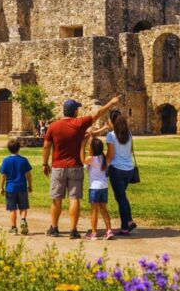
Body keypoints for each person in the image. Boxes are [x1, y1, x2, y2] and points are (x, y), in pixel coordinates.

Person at [42, 95, 120, 239]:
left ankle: (54, 228)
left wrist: (45, 163)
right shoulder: (79, 124)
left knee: (56, 198)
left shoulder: (53, 126)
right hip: (75, 166)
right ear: (75, 111)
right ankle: (73, 230)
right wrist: (111, 103)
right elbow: (97, 113)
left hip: (58, 166)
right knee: (74, 198)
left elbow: (46, 146)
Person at [105, 110, 138, 235]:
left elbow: (110, 155)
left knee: (121, 198)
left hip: (117, 170)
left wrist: (103, 166)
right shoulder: (129, 134)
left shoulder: (111, 135)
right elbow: (130, 151)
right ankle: (129, 221)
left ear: (111, 121)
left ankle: (125, 227)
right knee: (121, 196)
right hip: (129, 170)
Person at [80, 135, 113, 240]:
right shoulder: (104, 158)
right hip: (104, 187)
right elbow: (110, 155)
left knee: (94, 211)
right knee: (104, 209)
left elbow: (82, 160)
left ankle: (94, 233)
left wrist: (82, 146)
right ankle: (109, 230)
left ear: (92, 149)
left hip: (94, 188)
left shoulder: (91, 159)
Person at [0, 138, 32, 235]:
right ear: (19, 148)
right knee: (23, 207)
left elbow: (3, 175)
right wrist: (30, 185)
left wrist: (1, 187)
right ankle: (23, 220)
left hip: (10, 188)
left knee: (12, 209)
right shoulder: (23, 160)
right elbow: (28, 174)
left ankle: (13, 228)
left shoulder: (6, 160)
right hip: (22, 187)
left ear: (8, 149)